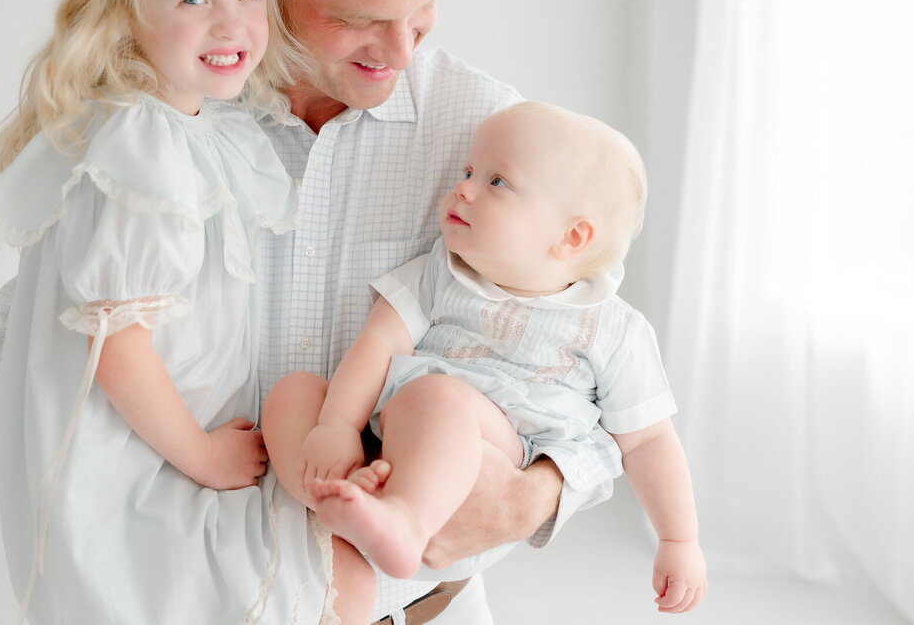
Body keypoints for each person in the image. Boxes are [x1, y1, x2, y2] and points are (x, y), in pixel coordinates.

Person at [0, 0, 616, 622]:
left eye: (424, 9)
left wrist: (535, 494)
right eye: (360, 18)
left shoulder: (488, 140)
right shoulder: (168, 123)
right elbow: (30, 349)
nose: (402, 50)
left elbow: (600, 368)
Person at [0, 0, 351, 624]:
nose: (231, 23)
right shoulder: (138, 144)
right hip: (145, 443)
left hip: (179, 430)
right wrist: (203, 456)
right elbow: (116, 344)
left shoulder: (193, 125)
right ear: (127, 14)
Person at [263, 102, 708, 616]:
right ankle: (337, 510)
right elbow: (379, 342)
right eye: (470, 171)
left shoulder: (613, 328)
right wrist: (339, 426)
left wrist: (679, 540)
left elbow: (650, 439)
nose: (464, 187)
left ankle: (404, 520)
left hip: (480, 477)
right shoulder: (443, 270)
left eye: (497, 183)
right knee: (293, 392)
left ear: (572, 237)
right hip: (382, 445)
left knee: (434, 397)